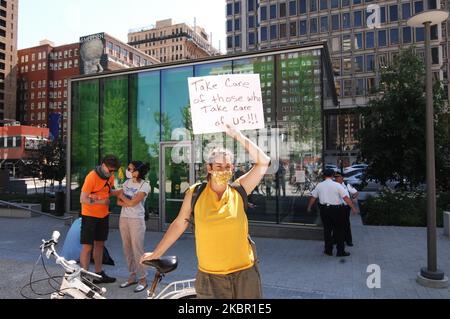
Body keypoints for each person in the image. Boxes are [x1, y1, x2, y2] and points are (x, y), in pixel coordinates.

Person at [140, 124, 271, 299]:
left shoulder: (239, 190)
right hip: (210, 277)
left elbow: (263, 161)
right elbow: (179, 224)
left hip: (245, 275)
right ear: (209, 168)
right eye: (218, 166)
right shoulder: (195, 193)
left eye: (228, 166)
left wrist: (238, 136)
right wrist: (156, 254)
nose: (223, 170)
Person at [79, 155, 121, 283]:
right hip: (89, 216)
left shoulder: (110, 176)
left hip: (103, 215)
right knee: (87, 247)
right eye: (110, 170)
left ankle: (98, 274)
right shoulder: (91, 177)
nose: (112, 173)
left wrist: (121, 191)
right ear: (103, 166)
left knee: (100, 245)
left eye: (114, 171)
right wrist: (101, 202)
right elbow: (83, 198)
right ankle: (84, 277)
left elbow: (108, 192)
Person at [306, 169, 359, 257]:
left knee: (327, 230)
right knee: (339, 230)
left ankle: (328, 250)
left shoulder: (319, 185)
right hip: (337, 210)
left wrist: (309, 207)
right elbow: (346, 198)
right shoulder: (337, 185)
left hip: (324, 210)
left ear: (324, 176)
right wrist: (353, 208)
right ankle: (340, 251)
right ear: (333, 175)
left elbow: (313, 197)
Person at [116, 161, 151, 293]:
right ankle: (132, 276)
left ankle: (143, 279)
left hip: (137, 220)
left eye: (130, 169)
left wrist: (124, 198)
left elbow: (133, 202)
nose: (128, 170)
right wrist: (127, 201)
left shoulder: (145, 185)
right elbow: (119, 202)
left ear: (137, 171)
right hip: (124, 218)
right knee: (127, 249)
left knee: (137, 250)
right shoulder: (126, 183)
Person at [334, 171, 359, 247]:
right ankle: (335, 239)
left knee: (346, 224)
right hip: (336, 207)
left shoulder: (346, 185)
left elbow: (356, 192)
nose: (336, 178)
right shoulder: (333, 185)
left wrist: (352, 198)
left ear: (342, 177)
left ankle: (348, 240)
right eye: (336, 177)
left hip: (345, 207)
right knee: (336, 224)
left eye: (338, 177)